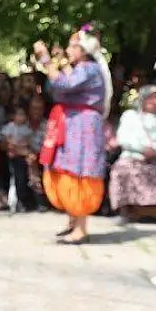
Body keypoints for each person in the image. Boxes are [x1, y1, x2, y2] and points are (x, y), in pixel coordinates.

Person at [34, 24, 112, 245]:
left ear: (84, 50)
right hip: (72, 123)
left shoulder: (89, 69)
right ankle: (72, 221)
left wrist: (46, 60)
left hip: (82, 126)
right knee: (66, 167)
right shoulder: (83, 68)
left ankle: (81, 228)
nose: (68, 51)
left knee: (79, 170)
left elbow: (63, 84)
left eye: (72, 47)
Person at [108, 85, 156, 225]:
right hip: (135, 156)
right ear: (142, 99)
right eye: (151, 97)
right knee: (121, 169)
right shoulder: (130, 116)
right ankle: (124, 212)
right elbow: (123, 138)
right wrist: (143, 150)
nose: (155, 101)